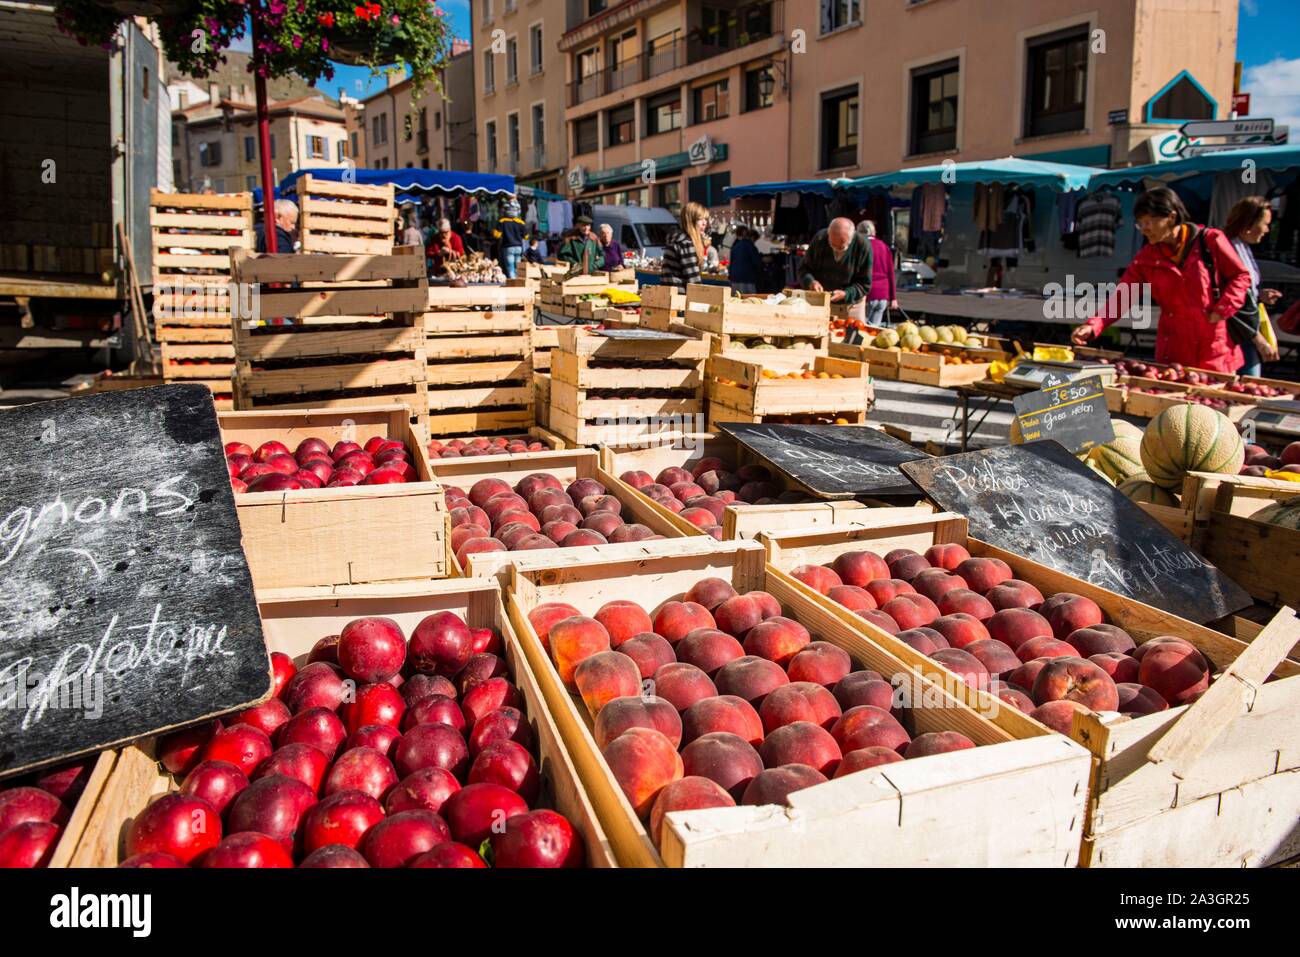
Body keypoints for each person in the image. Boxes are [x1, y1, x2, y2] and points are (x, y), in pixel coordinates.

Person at [1072, 187, 1251, 374]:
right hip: (1173, 348)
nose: (1144, 229)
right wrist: (1093, 325)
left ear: (1171, 217)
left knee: (1215, 399)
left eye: (1149, 222)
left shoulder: (1211, 241)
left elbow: (1240, 276)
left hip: (1213, 346)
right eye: (1140, 224)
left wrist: (1223, 309)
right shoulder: (1146, 257)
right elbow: (1122, 297)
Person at [1224, 196, 1282, 376]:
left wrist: (1258, 295)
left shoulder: (1242, 247)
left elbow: (1244, 292)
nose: (1267, 230)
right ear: (1249, 223)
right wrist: (1259, 340)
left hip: (1246, 333)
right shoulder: (1230, 250)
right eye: (1265, 224)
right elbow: (1232, 300)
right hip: (1239, 335)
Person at [799, 217, 874, 321]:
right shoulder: (820, 238)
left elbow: (865, 284)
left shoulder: (863, 246)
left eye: (841, 248)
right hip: (821, 303)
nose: (836, 250)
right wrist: (811, 282)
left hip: (851, 306)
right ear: (829, 234)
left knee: (853, 335)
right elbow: (804, 269)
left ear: (851, 239)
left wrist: (846, 294)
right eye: (833, 245)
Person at [858, 220, 899, 332]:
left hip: (867, 293)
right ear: (873, 232)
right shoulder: (884, 247)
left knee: (862, 329)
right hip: (883, 294)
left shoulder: (860, 246)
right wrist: (893, 298)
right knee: (874, 330)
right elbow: (891, 273)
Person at [661, 201, 710, 290]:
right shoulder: (685, 243)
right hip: (680, 297)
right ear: (690, 221)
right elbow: (693, 281)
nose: (704, 223)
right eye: (700, 219)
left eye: (705, 219)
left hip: (670, 294)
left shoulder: (678, 239)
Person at [494, 198, 528, 280]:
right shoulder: (521, 222)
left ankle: (513, 282)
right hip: (519, 247)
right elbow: (526, 236)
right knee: (518, 266)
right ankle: (519, 281)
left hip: (508, 246)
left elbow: (496, 235)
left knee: (510, 266)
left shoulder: (502, 221)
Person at [728, 226, 761, 295]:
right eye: (755, 240)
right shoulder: (750, 246)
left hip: (734, 278)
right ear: (752, 237)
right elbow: (757, 262)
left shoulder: (735, 245)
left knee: (735, 301)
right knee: (749, 301)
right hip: (747, 279)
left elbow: (731, 263)